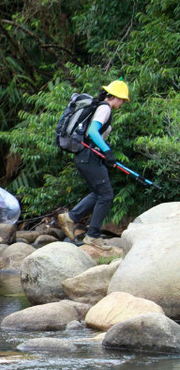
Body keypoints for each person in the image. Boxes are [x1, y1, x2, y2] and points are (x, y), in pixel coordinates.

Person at [57, 81, 130, 250]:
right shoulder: (105, 108)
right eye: (123, 100)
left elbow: (92, 136)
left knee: (99, 193)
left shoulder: (101, 107)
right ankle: (93, 235)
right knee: (106, 195)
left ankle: (71, 217)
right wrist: (107, 151)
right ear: (116, 97)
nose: (123, 103)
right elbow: (92, 132)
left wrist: (104, 155)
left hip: (86, 157)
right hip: (88, 157)